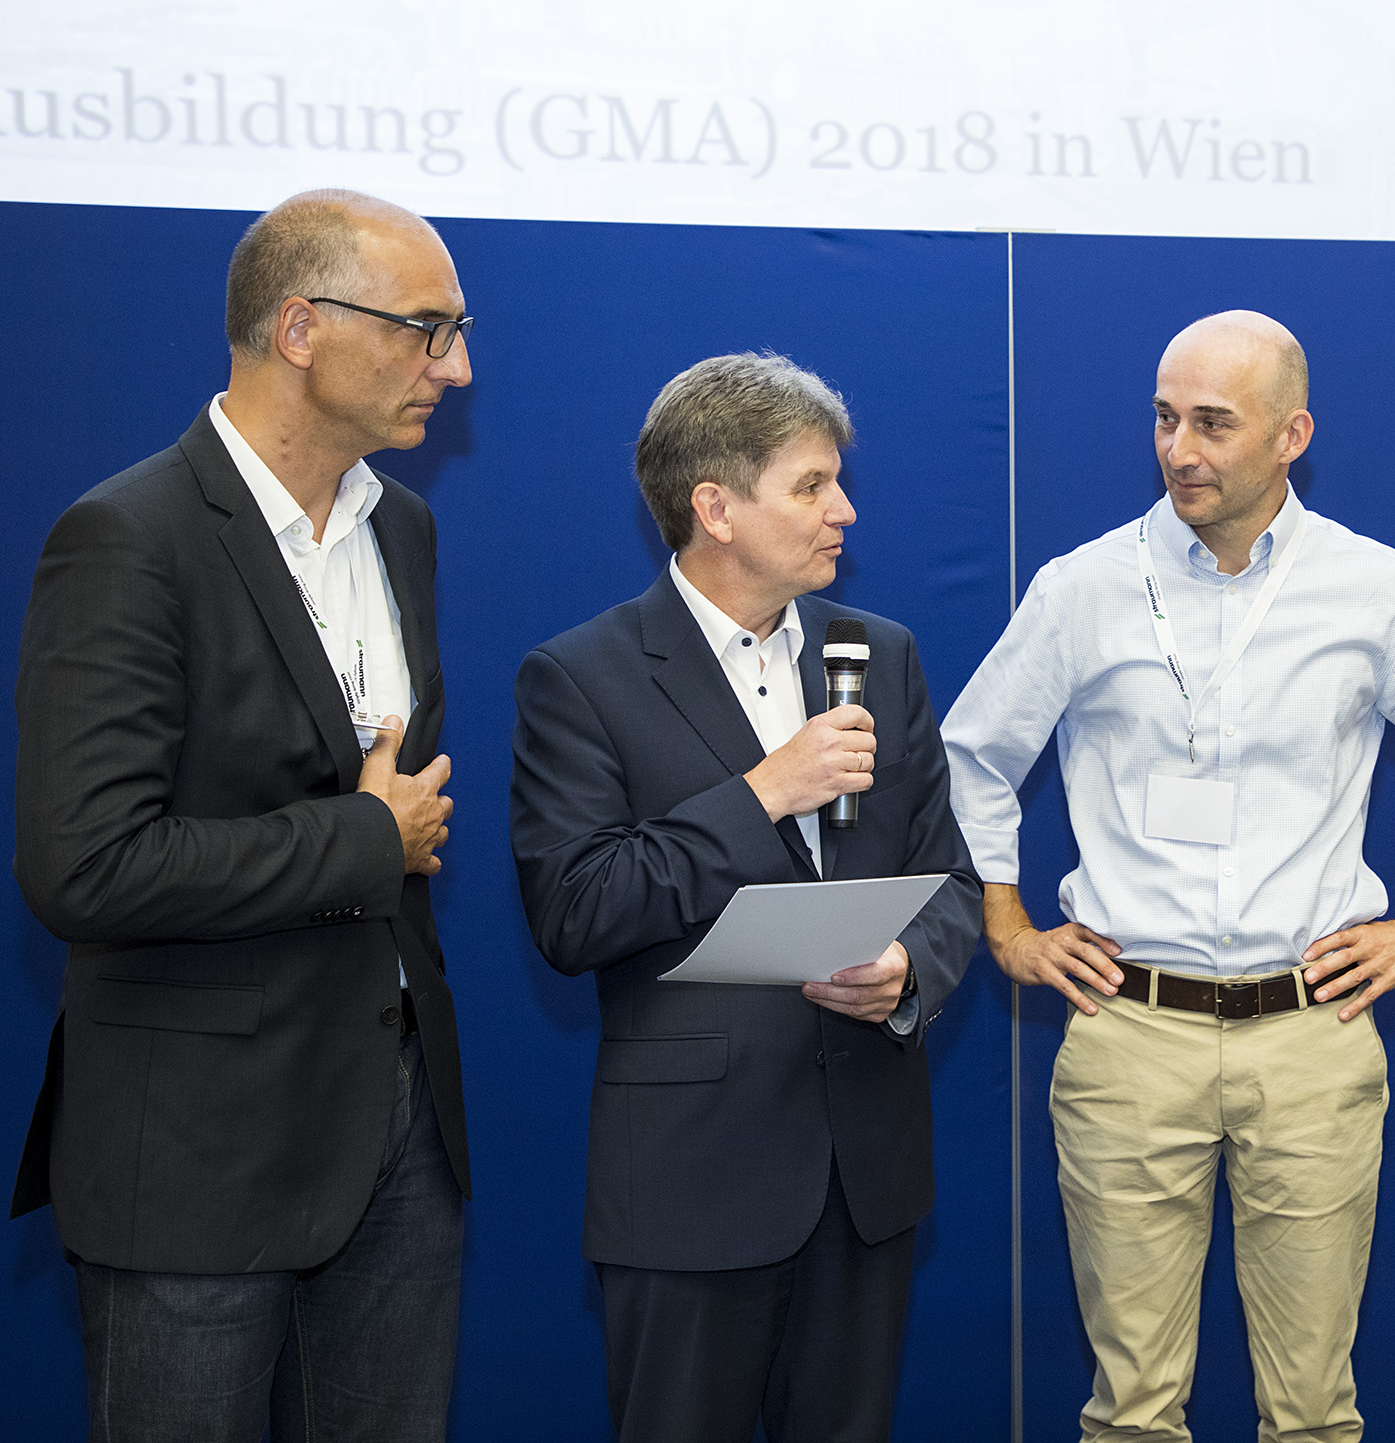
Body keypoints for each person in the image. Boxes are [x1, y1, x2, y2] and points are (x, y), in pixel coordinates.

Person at [942, 310, 1395, 1442]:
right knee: (1130, 1412)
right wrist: (1004, 925)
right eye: (1164, 418)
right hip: (1128, 1031)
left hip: (1311, 1036)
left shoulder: (1372, 586)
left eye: (1213, 423)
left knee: (1312, 1411)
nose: (1180, 449)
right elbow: (975, 756)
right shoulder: (1081, 586)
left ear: (1291, 435)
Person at [10, 189, 475, 1440]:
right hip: (194, 1153)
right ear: (301, 328)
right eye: (427, 329)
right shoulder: (128, 537)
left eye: (458, 333)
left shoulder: (403, 529)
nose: (456, 368)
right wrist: (365, 840)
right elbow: (83, 865)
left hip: (397, 1133)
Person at [509, 352, 983, 1443]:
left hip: (863, 1176)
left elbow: (951, 879)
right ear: (714, 508)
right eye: (812, 485)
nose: (844, 511)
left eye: (837, 482)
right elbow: (575, 909)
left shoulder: (880, 653)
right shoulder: (582, 676)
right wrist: (763, 793)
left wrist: (908, 971)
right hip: (690, 1182)